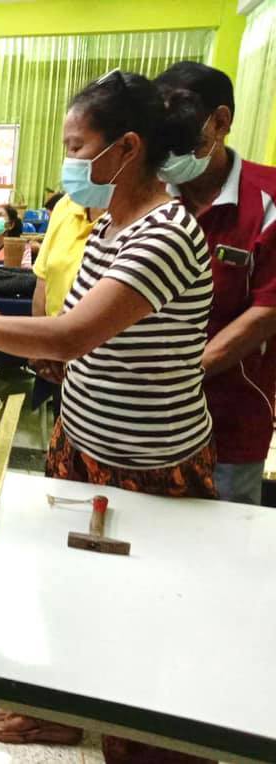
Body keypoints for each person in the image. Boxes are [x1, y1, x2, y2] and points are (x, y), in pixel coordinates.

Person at [0, 71, 216, 764]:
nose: (70, 163)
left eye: (79, 147)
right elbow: (78, 348)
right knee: (71, 588)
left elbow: (73, 334)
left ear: (127, 148)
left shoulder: (165, 233)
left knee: (145, 609)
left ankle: (148, 737)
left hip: (148, 463)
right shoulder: (109, 224)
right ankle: (71, 708)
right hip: (83, 440)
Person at [156, 61, 276, 506]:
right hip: (147, 422)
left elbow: (266, 313)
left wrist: (179, 379)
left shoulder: (267, 201)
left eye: (182, 138)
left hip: (230, 419)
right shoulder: (153, 198)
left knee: (221, 553)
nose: (168, 154)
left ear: (220, 122)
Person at [28, 194, 103, 414]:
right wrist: (40, 344)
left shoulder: (135, 218)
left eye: (78, 155)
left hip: (103, 367)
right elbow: (43, 280)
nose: (71, 161)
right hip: (60, 358)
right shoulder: (66, 205)